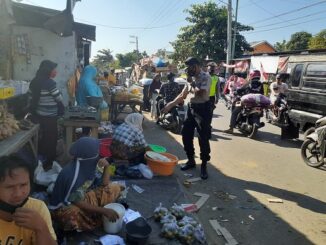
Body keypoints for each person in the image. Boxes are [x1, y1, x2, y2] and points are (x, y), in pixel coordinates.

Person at [49, 137, 122, 232]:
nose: (100, 155)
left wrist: (107, 166)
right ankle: (96, 219)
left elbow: (105, 183)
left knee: (114, 187)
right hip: (65, 206)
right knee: (71, 217)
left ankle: (96, 214)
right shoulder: (72, 174)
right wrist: (104, 211)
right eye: (97, 153)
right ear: (89, 155)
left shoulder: (91, 163)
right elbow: (75, 201)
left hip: (82, 196)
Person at [163, 57, 211, 179]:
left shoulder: (205, 77)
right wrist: (170, 104)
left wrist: (191, 83)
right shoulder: (191, 79)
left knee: (203, 138)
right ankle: (191, 160)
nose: (189, 69)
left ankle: (204, 165)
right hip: (191, 108)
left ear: (197, 66)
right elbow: (182, 95)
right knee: (185, 134)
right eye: (188, 67)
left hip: (203, 109)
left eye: (191, 67)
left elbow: (201, 93)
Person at [0, 154, 57, 244]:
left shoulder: (37, 208)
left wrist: (41, 228)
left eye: (23, 185)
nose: (18, 194)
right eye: (9, 187)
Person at [28, 60, 64, 170]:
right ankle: (49, 163)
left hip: (38, 115)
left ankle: (41, 161)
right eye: (54, 70)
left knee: (42, 139)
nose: (55, 72)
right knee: (51, 139)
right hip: (50, 117)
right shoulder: (50, 83)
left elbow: (30, 98)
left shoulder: (34, 82)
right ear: (48, 70)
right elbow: (59, 98)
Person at [224, 70, 264, 134]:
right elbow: (262, 94)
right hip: (257, 103)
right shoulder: (261, 84)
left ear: (251, 75)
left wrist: (236, 92)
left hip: (247, 102)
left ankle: (231, 128)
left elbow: (241, 89)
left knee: (235, 112)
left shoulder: (249, 83)